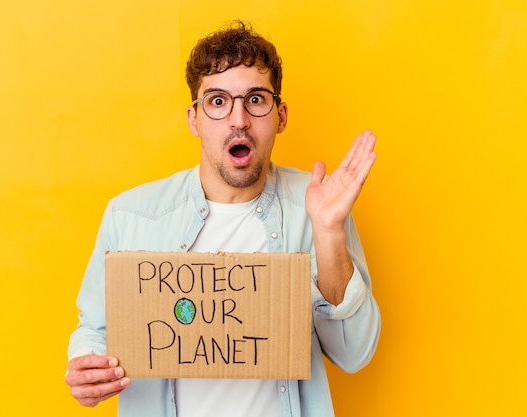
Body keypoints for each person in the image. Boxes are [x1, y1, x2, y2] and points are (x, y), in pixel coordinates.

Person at [66, 21, 381, 417]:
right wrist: (87, 366)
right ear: (194, 118)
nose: (238, 119)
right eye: (217, 101)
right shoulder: (131, 216)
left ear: (280, 116)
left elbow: (354, 354)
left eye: (255, 99)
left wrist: (329, 231)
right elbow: (94, 330)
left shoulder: (318, 206)